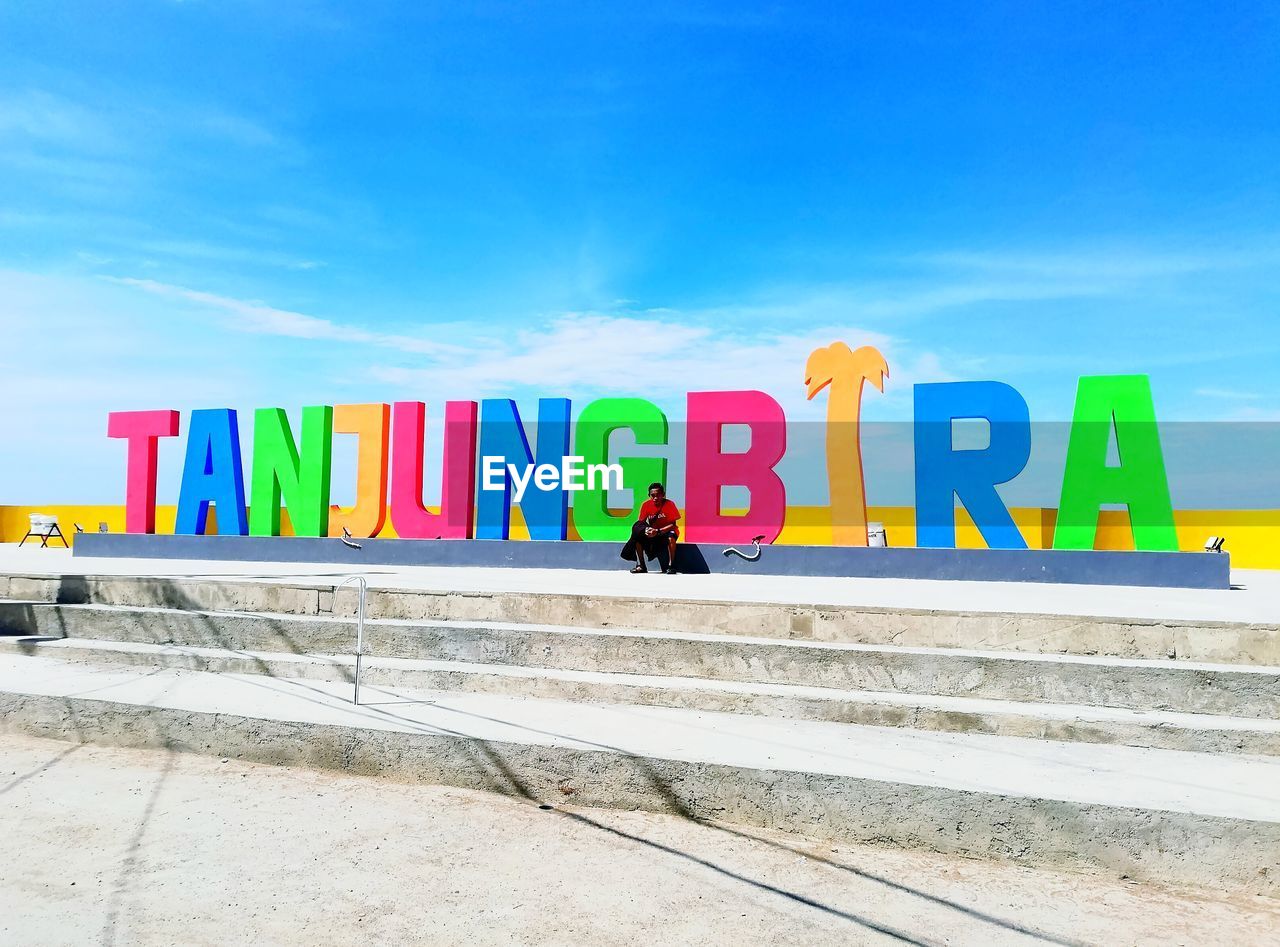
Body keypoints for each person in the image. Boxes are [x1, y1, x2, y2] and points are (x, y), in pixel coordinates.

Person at [621, 482, 680, 574]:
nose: (655, 498)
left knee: (671, 537)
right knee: (637, 534)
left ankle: (671, 566)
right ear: (649, 495)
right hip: (653, 532)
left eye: (658, 495)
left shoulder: (669, 504)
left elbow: (673, 524)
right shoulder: (646, 505)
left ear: (663, 495)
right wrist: (647, 530)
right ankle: (641, 565)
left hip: (666, 531)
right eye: (653, 495)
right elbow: (641, 522)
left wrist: (658, 531)